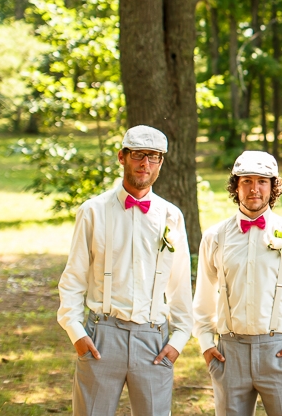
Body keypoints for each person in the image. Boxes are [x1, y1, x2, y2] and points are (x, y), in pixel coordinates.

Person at [57, 125, 193, 416]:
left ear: (161, 163)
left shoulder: (171, 216)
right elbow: (73, 279)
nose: (145, 164)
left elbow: (180, 283)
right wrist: (76, 333)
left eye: (154, 157)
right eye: (138, 155)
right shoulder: (93, 211)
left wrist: (180, 338)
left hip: (154, 339)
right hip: (102, 336)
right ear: (122, 157)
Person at [193, 150, 282, 416]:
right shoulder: (215, 237)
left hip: (279, 351)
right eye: (247, 181)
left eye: (262, 181)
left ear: (273, 186)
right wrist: (207, 344)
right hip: (229, 353)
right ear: (236, 186)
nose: (254, 189)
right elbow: (204, 298)